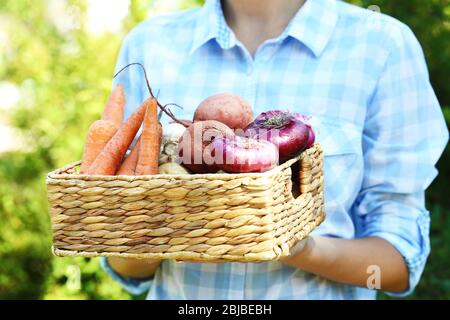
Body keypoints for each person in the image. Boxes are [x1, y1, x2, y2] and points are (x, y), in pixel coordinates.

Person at [100, 0, 449, 299]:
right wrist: (160, 229)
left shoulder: (382, 44)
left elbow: (399, 263)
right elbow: (126, 266)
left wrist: (300, 248)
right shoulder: (150, 43)